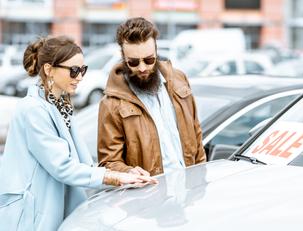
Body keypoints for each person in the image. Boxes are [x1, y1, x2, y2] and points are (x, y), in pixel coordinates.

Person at [0, 35, 157, 231]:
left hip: (53, 209)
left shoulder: (61, 104)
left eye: (82, 69)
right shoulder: (33, 109)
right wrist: (114, 177)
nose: (80, 77)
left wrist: (123, 173)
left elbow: (81, 164)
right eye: (73, 71)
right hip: (30, 216)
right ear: (49, 70)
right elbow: (62, 166)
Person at [98, 17, 206, 176]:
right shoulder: (111, 104)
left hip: (190, 191)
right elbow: (109, 163)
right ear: (123, 58)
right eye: (133, 62)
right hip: (151, 196)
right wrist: (129, 172)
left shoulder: (179, 81)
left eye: (149, 60)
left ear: (156, 51)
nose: (142, 68)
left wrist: (200, 179)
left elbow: (197, 137)